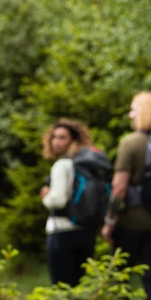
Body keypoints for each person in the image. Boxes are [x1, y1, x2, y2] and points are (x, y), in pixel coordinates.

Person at [101, 91, 151, 300]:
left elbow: (119, 188)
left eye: (133, 108)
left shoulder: (130, 143)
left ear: (142, 112)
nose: (129, 114)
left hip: (130, 223)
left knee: (119, 279)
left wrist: (109, 222)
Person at [40, 119, 97, 287]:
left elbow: (58, 200)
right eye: (54, 137)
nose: (56, 142)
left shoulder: (61, 166)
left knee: (62, 288)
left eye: (62, 137)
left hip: (61, 233)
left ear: (73, 141)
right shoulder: (87, 165)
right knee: (80, 287)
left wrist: (45, 197)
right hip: (86, 232)